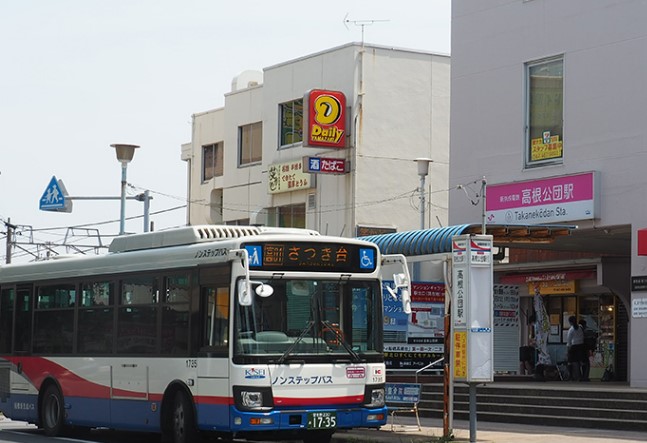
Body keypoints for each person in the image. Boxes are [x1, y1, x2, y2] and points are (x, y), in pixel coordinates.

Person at [566, 316, 585, 381]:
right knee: (581, 361)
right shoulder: (580, 327)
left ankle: (571, 376)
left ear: (570, 322)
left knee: (570, 362)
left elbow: (569, 341)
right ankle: (582, 376)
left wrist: (568, 351)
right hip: (581, 346)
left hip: (574, 346)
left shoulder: (571, 330)